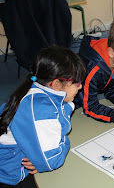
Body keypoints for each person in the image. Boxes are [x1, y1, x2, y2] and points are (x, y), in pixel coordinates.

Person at [0, 47, 86, 187]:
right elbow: (51, 160)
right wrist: (65, 143)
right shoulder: (40, 109)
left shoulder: (41, 91)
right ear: (56, 84)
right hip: (7, 173)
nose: (80, 87)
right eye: (76, 83)